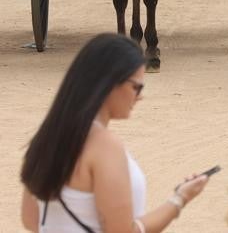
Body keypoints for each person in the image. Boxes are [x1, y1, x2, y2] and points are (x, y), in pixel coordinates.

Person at [20, 34, 211, 232]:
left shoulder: (47, 137)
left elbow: (31, 219)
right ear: (110, 83)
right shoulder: (104, 145)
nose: (140, 96)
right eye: (136, 87)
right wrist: (178, 200)